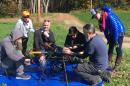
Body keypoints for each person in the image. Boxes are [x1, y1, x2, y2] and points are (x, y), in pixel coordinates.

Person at [90, 6, 126, 70]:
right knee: (110, 47)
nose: (95, 17)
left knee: (118, 48)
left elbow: (115, 29)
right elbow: (105, 30)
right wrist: (108, 38)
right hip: (113, 32)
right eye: (94, 17)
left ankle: (116, 65)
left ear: (99, 12)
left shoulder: (109, 16)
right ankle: (107, 63)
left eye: (95, 15)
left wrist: (116, 40)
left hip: (119, 32)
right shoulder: (102, 20)